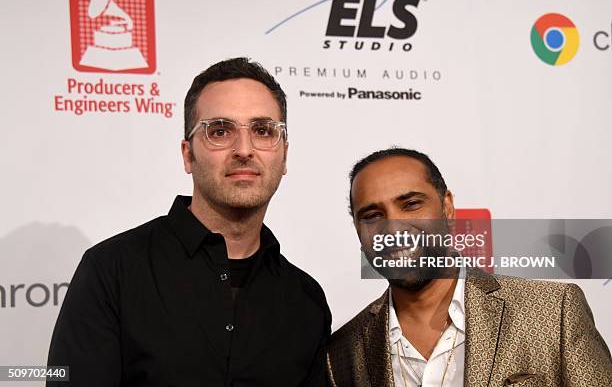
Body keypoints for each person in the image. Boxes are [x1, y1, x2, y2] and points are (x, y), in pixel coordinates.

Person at [47, 57, 331, 386]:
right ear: (187, 155)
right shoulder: (113, 270)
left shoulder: (305, 300)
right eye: (220, 131)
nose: (243, 149)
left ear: (283, 154)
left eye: (263, 130)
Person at [327, 147, 612, 386]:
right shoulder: (342, 353)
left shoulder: (552, 312)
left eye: (411, 204)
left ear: (447, 208)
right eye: (372, 215)